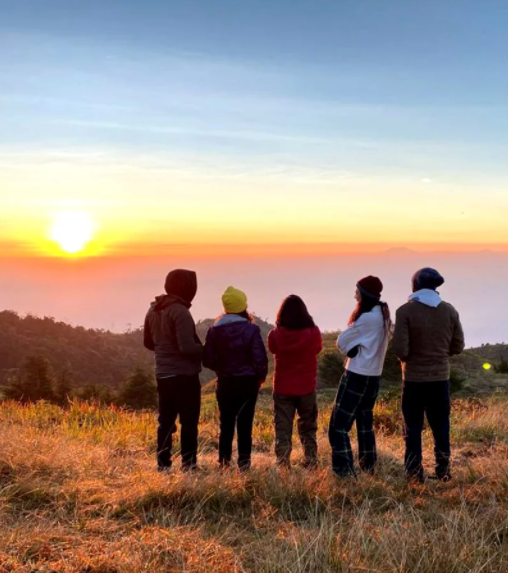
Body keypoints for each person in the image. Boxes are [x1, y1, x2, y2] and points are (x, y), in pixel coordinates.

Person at [392, 267, 465, 483]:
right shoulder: (449, 310)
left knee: (412, 427)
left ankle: (415, 473)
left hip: (414, 379)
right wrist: (441, 355)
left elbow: (400, 350)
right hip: (440, 378)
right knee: (441, 424)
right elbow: (458, 345)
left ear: (415, 285)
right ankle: (443, 469)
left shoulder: (405, 311)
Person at [328, 276, 391, 477]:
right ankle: (368, 466)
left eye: (357, 290)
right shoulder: (383, 315)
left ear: (363, 294)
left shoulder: (366, 318)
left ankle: (344, 471)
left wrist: (351, 350)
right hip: (374, 376)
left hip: (357, 374)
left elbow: (342, 341)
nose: (355, 294)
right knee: (365, 423)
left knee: (339, 427)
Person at [144, 269, 203, 471]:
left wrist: (164, 349)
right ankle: (188, 464)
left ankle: (163, 464)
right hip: (184, 376)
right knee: (188, 422)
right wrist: (206, 351)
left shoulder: (153, 309)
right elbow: (187, 347)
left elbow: (148, 342)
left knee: (166, 421)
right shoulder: (180, 311)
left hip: (163, 374)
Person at [203, 286, 268, 470]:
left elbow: (207, 360)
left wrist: (221, 368)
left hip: (225, 382)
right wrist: (260, 377)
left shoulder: (214, 330)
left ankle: (224, 464)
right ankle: (244, 465)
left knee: (226, 424)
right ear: (243, 306)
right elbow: (260, 358)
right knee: (245, 425)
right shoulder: (251, 329)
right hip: (248, 383)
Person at [268, 295, 322, 468]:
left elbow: (272, 348)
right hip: (307, 387)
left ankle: (283, 463)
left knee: (282, 428)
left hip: (283, 387)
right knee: (308, 427)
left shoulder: (276, 335)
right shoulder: (313, 333)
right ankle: (311, 460)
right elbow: (318, 348)